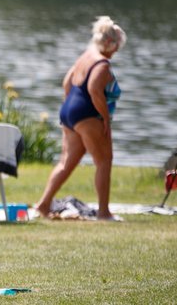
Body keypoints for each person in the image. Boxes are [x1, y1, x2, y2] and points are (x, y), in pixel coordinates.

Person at [35, 16, 127, 220]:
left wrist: (71, 106)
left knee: (66, 162)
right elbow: (95, 89)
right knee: (104, 161)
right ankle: (104, 212)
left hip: (69, 110)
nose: (116, 51)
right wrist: (104, 118)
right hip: (87, 113)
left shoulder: (86, 56)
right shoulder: (102, 64)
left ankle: (42, 205)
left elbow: (67, 82)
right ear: (109, 43)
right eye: (117, 46)